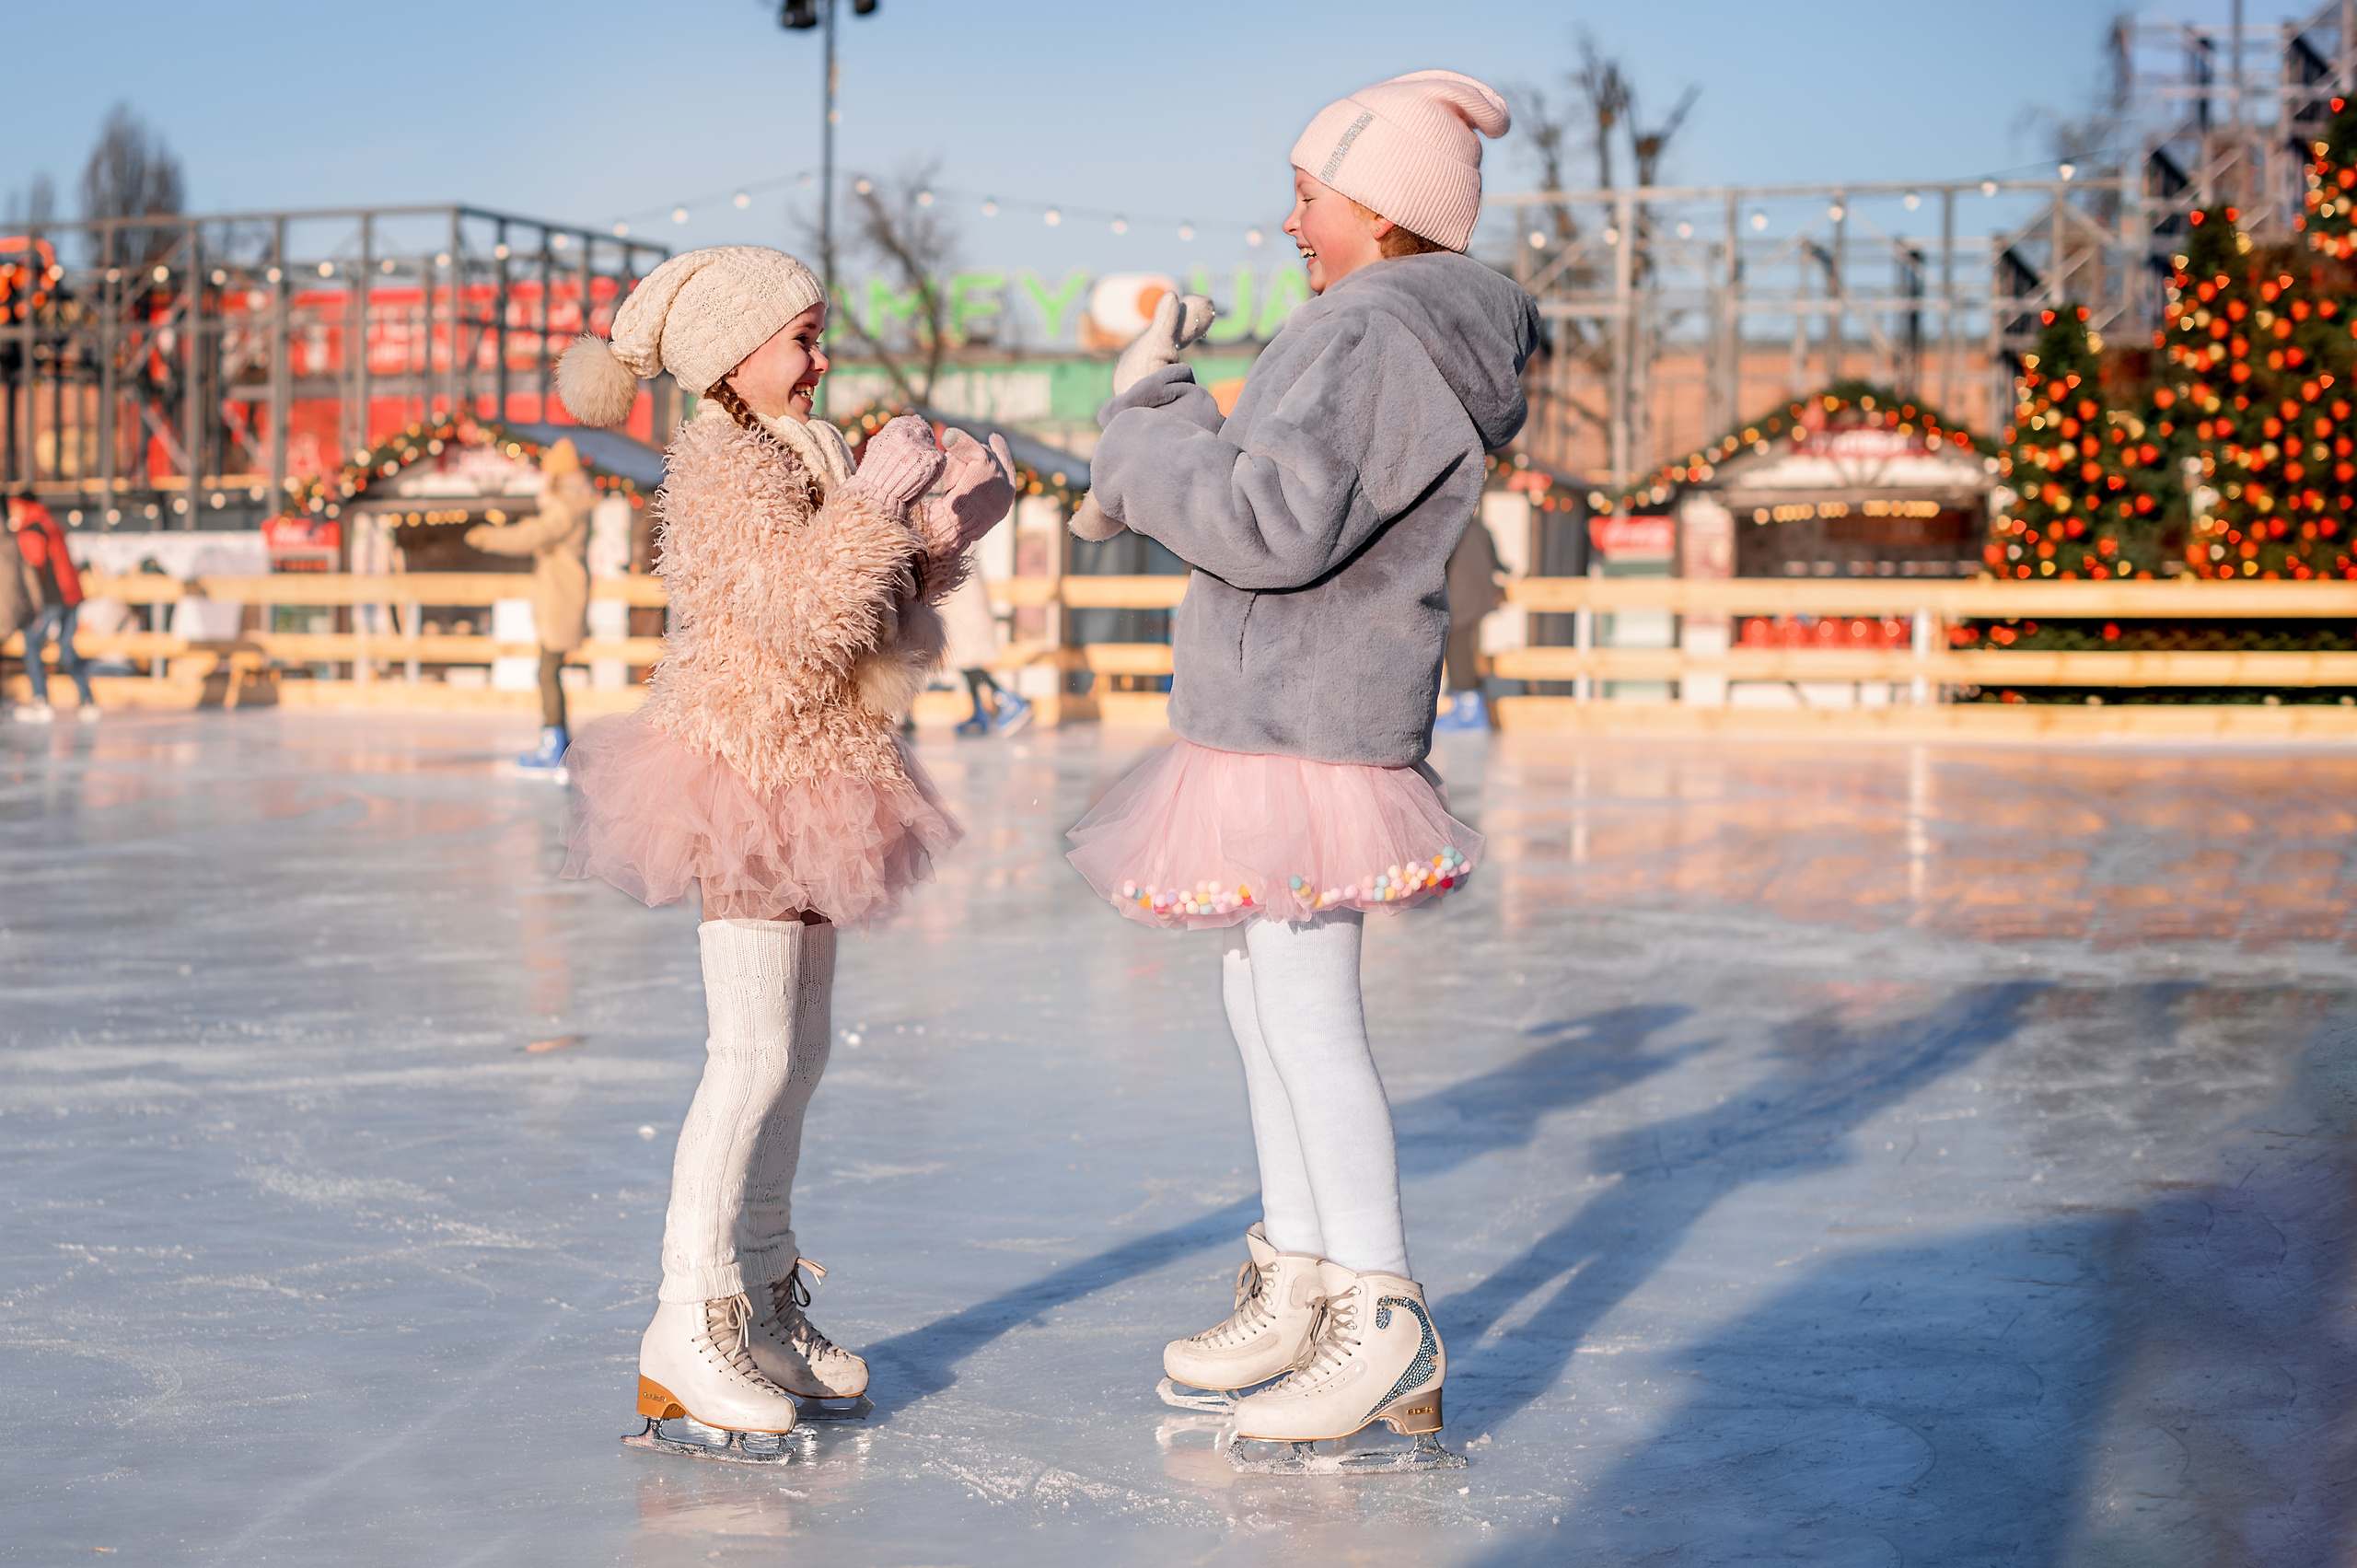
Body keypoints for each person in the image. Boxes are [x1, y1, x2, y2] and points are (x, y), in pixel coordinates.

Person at [1066, 70, 1535, 1473]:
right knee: (1259, 986)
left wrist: (1148, 410)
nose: (1287, 218)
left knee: (1308, 1009)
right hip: (1287, 710)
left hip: (1308, 718)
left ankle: (1381, 1311)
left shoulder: (1376, 332)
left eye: (1308, 195)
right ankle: (1309, 1275)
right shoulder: (1376, 327)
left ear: (1382, 211)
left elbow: (1267, 522)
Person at [552, 246, 1016, 1458]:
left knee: (797, 1051)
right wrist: (874, 507)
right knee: (750, 1051)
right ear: (725, 355)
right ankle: (685, 1316)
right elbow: (801, 618)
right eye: (801, 338)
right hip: (743, 772)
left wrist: (939, 532)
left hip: (819, 769)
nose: (822, 359)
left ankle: (758, 1297)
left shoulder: (797, 452)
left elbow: (871, 629)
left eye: (820, 333)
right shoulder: (719, 465)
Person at [465, 437, 594, 770]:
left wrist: (491, 537)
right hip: (563, 595)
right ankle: (558, 742)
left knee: (547, 671)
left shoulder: (564, 508)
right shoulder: (569, 503)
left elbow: (534, 535)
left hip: (561, 597)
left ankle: (556, 746)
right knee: (549, 670)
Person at [8, 495, 97, 724]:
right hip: (71, 594)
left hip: (52, 598)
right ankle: (88, 701)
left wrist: (33, 604)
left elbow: (34, 565)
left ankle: (41, 700)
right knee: (66, 648)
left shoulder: (32, 529)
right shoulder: (51, 522)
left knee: (32, 643)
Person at [937, 545, 1029, 737]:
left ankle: (1008, 699)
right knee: (965, 662)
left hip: (964, 610)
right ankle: (979, 711)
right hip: (961, 607)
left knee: (968, 661)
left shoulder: (953, 547)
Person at [1432, 517, 1504, 730]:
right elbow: (1497, 561)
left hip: (1460, 597)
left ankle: (1470, 713)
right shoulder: (1477, 526)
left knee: (1457, 649)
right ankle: (1468, 708)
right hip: (1475, 595)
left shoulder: (1450, 525)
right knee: (1463, 649)